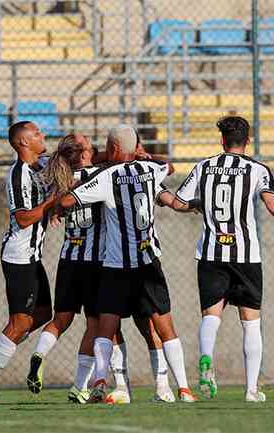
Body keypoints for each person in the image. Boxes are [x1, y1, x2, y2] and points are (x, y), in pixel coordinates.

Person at [26, 133, 175, 403]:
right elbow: (163, 166)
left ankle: (47, 358)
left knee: (63, 320)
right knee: (121, 326)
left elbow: (64, 195)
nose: (95, 147)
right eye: (89, 145)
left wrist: (56, 208)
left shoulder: (62, 179)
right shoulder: (103, 174)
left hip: (70, 260)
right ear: (85, 154)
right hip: (108, 263)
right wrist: (142, 156)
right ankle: (125, 384)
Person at [54, 125, 197, 404]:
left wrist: (60, 205)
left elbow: (70, 199)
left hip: (116, 267)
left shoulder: (106, 176)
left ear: (114, 148)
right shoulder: (151, 171)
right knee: (162, 327)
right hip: (148, 264)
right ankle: (181, 388)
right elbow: (169, 166)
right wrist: (146, 156)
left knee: (108, 327)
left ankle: (102, 381)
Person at [168, 116, 274, 402]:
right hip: (245, 255)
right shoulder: (257, 169)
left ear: (222, 141)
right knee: (250, 321)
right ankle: (251, 390)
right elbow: (271, 202)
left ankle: (205, 359)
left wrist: (199, 206)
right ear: (247, 140)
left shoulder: (203, 166)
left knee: (211, 316)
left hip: (211, 252)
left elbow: (178, 203)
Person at [0, 121, 55, 405]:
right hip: (19, 258)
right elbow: (23, 217)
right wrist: (52, 202)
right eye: (36, 134)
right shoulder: (19, 173)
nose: (42, 136)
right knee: (19, 323)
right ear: (23, 143)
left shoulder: (37, 168)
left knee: (43, 313)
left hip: (32, 256)